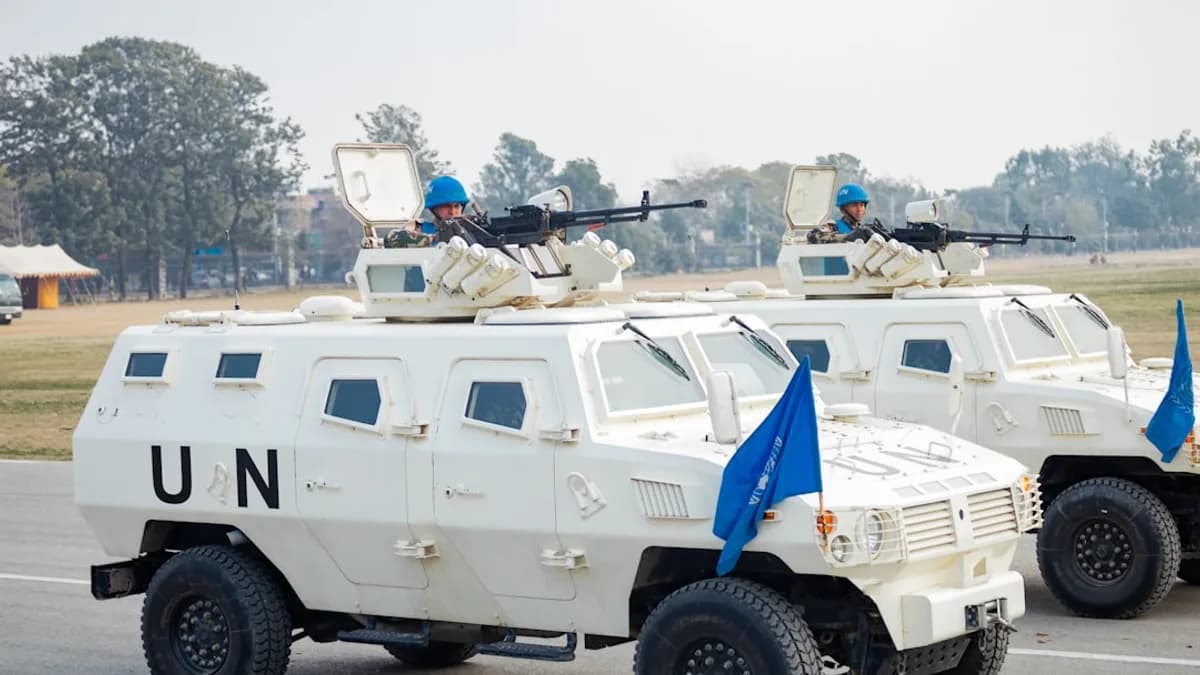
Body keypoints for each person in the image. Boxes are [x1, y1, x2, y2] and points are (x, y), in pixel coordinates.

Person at [385, 175, 471, 248]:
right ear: (434, 208)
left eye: (457, 206)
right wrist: (436, 238)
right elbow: (391, 239)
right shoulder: (419, 228)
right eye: (446, 206)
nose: (452, 212)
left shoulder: (471, 231)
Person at [807, 183, 872, 244]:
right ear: (843, 208)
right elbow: (812, 236)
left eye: (862, 205)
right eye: (854, 205)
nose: (859, 209)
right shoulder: (834, 226)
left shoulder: (863, 231)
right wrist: (846, 237)